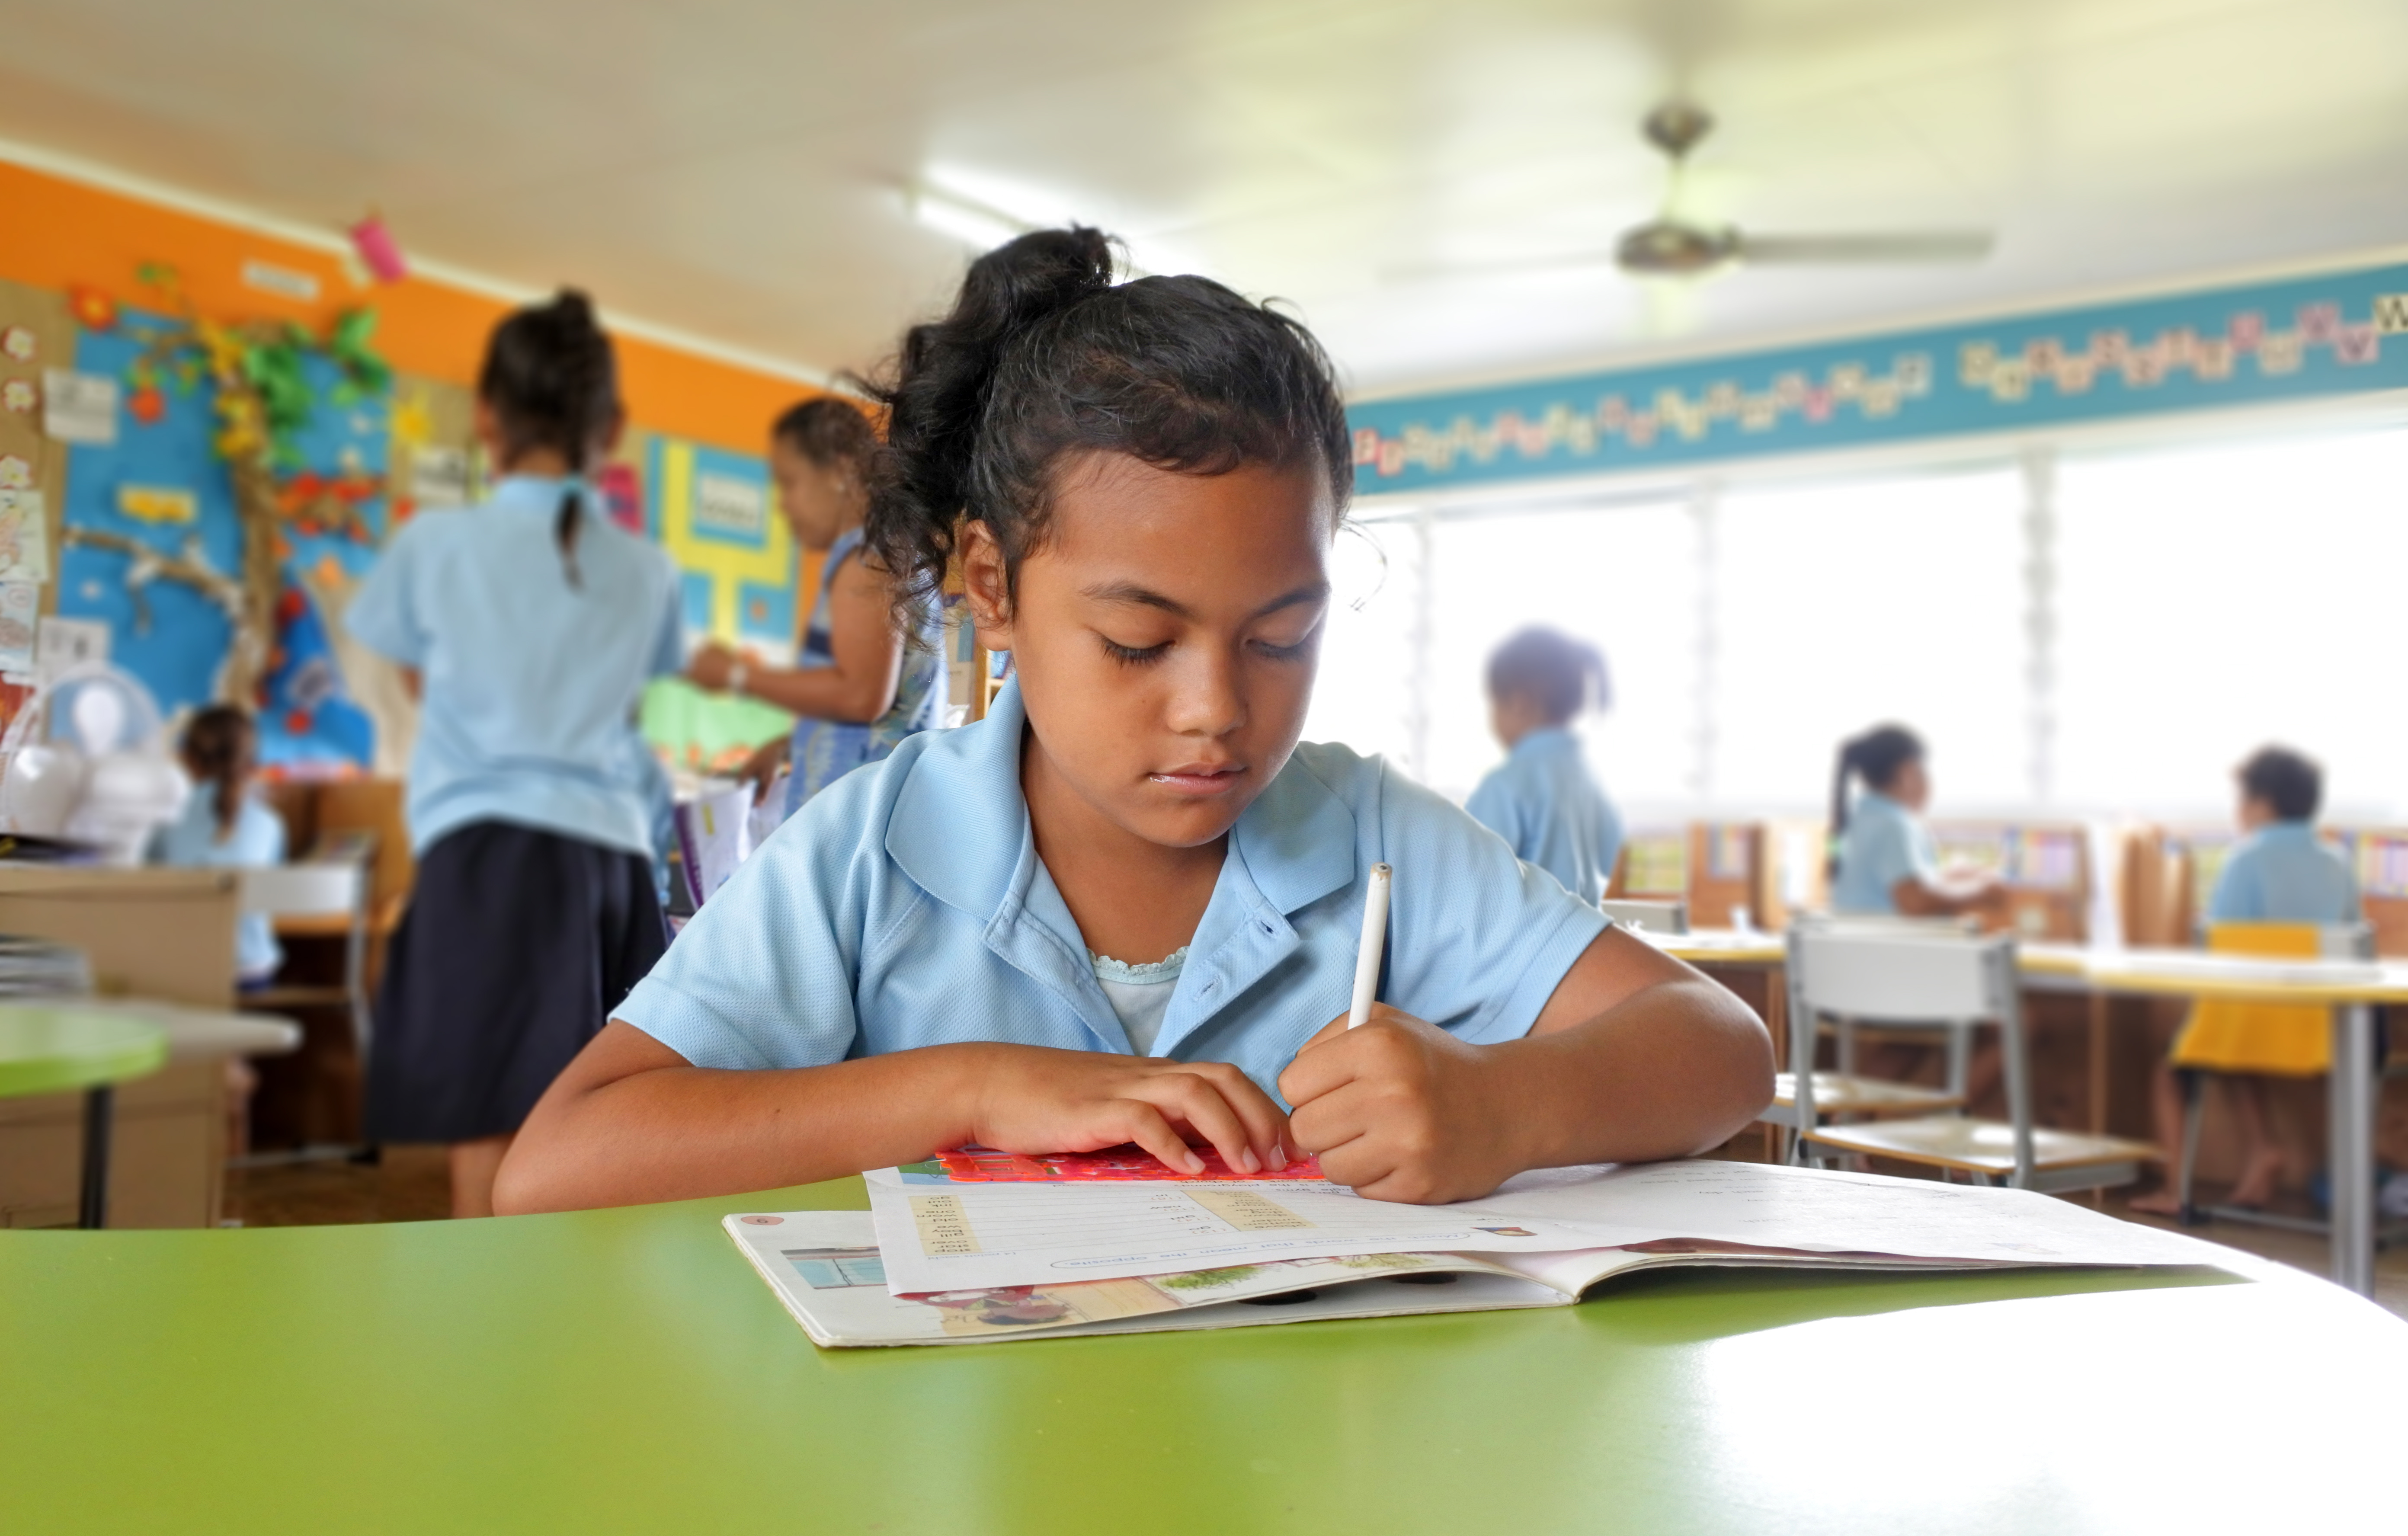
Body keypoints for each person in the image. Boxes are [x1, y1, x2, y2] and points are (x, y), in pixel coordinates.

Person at [494, 228, 1772, 1216]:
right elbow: (556, 1167)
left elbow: (1719, 1047)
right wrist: (974, 1087)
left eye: (1280, 635)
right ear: (991, 587)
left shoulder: (1371, 835)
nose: (1216, 707)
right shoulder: (871, 849)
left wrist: (1507, 1103)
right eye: (1136, 643)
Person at [346, 290, 685, 1219]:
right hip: (611, 861)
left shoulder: (436, 543)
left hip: (492, 856)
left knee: (494, 1134)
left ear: (487, 413)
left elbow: (414, 680)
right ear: (610, 427)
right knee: (606, 1125)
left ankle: (482, 1340)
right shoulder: (648, 569)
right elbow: (628, 703)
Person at [686, 398, 944, 816]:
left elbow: (862, 696)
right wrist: (789, 742)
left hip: (858, 825)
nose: (782, 505)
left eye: (790, 483)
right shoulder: (879, 551)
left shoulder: (871, 558)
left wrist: (735, 675)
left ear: (841, 472)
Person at [2132, 745, 2360, 1216]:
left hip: (2251, 1016)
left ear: (2262, 802)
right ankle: (2266, 1148)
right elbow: (2351, 938)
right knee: (2236, 1053)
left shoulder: (2246, 858)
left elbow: (2221, 943)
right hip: (2319, 1030)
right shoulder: (2337, 861)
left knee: (2171, 1070)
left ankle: (2176, 1189)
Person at [1465, 627, 1624, 903]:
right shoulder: (1590, 780)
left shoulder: (1506, 785)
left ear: (1518, 704)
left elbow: (1471, 879)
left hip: (1523, 944)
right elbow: (1611, 857)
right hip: (1588, 940)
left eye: (1495, 703)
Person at [148, 704, 285, 987]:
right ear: (252, 762)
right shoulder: (271, 824)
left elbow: (144, 887)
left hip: (184, 972)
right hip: (252, 975)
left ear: (187, 757)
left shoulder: (167, 815)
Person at [1826, 724, 2004, 918]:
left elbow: (1898, 885)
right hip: (1886, 944)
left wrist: (1948, 879)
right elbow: (1915, 902)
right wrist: (1980, 890)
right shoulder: (1893, 825)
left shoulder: (1858, 817)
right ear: (1908, 774)